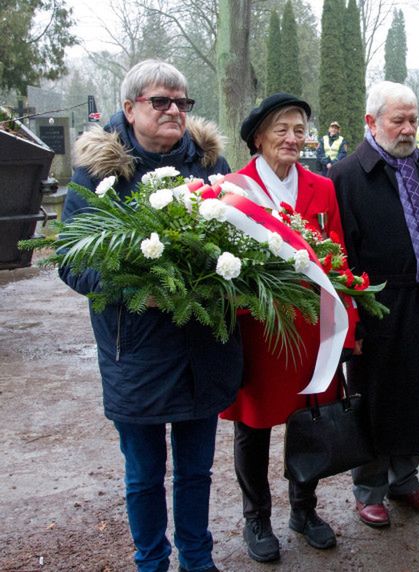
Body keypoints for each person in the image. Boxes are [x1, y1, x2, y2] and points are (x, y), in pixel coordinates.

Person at [61, 59, 240, 572]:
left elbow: (239, 238)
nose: (174, 111)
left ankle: (198, 560)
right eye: (160, 101)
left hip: (204, 345)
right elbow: (73, 259)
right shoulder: (98, 173)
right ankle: (151, 562)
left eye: (183, 102)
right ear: (129, 108)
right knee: (143, 474)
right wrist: (138, 290)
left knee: (196, 471)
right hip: (134, 346)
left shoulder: (212, 165)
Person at [219, 93, 354, 561]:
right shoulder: (234, 191)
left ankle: (304, 509)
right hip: (259, 330)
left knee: (308, 420)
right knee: (253, 427)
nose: (293, 138)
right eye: (282, 129)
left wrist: (347, 330)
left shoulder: (323, 188)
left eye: (300, 129)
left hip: (312, 328)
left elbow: (338, 259)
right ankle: (256, 518)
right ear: (259, 138)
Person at [330, 81, 419, 528]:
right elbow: (339, 252)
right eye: (397, 120)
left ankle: (405, 479)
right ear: (371, 122)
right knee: (374, 399)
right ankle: (369, 489)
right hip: (377, 306)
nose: (408, 129)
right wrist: (353, 325)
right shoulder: (347, 175)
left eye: (412, 119)